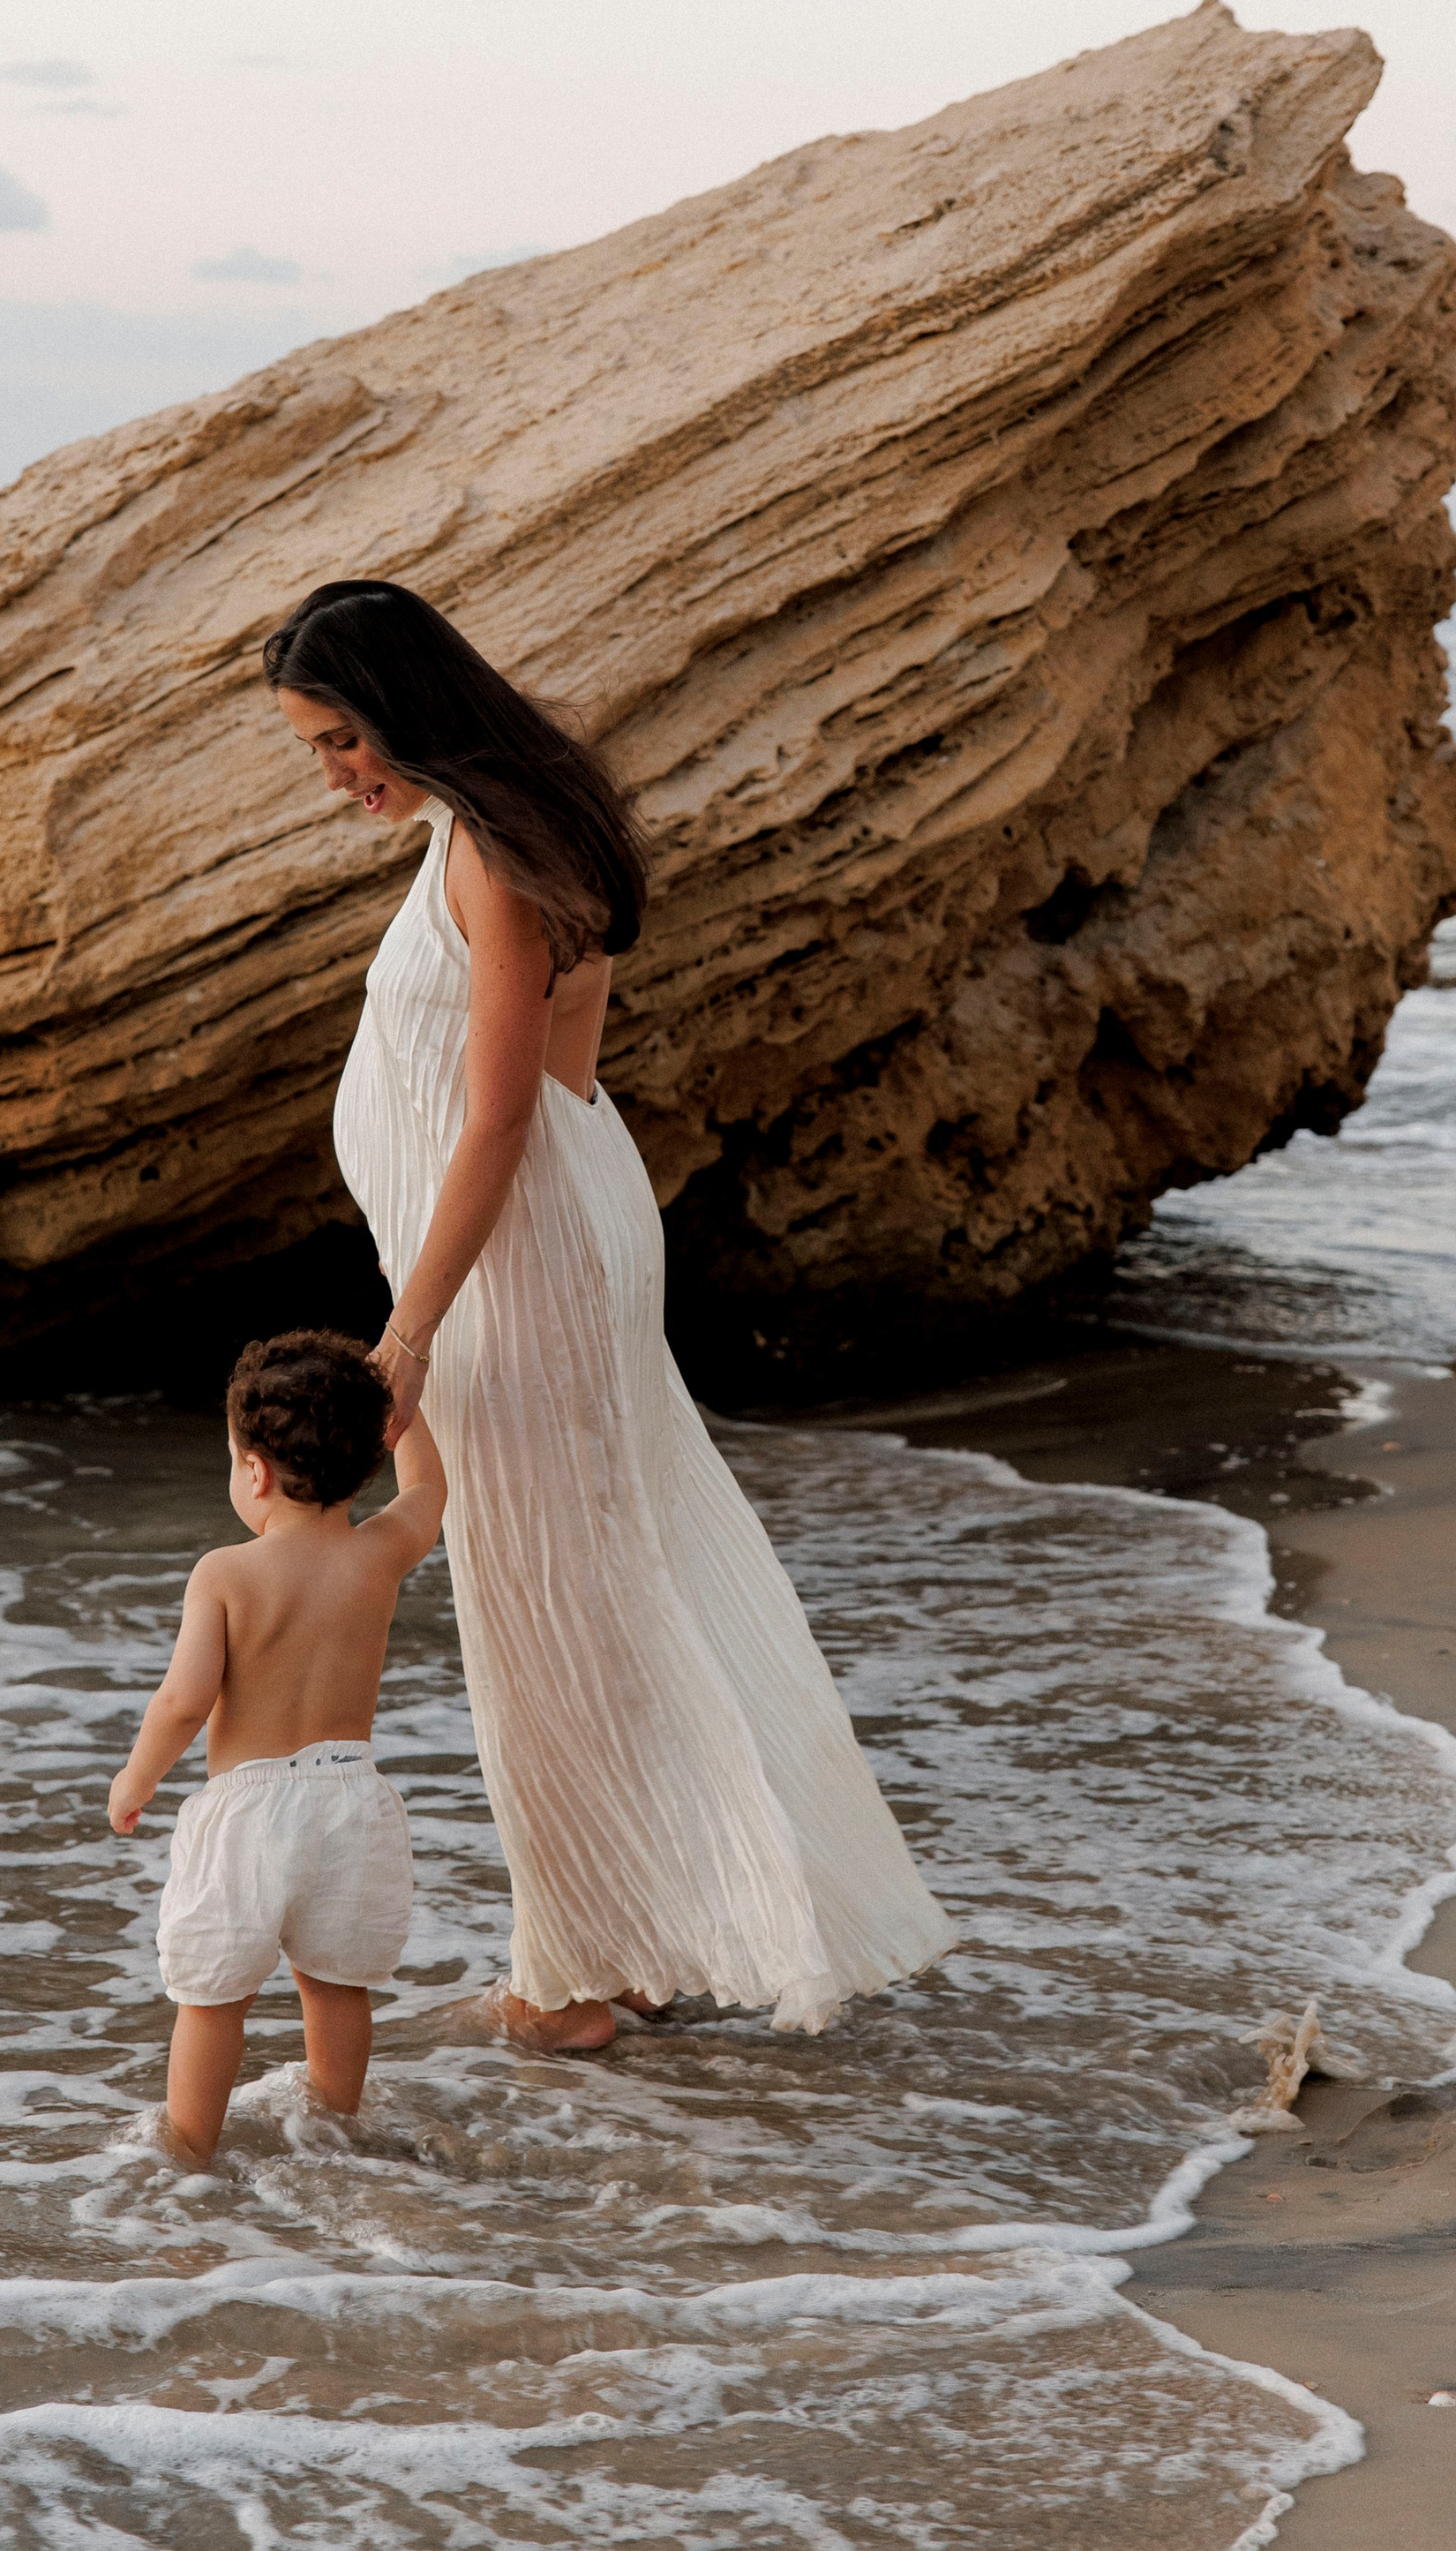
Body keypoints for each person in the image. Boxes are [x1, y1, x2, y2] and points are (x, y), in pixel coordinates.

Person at [263, 577, 957, 2051]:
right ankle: (615, 1945)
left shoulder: (498, 861)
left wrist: (409, 1334)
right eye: (313, 750)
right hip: (536, 1246)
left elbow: (501, 1120)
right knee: (588, 1594)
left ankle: (578, 1978)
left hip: (525, 1260)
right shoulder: (492, 825)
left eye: (337, 742)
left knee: (552, 1608)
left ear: (400, 709)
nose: (329, 776)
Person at [108, 1328, 444, 2166]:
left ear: (254, 1470)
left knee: (213, 1999)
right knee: (335, 1985)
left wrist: (134, 1778)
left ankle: (186, 2152)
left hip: (249, 1813)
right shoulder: (379, 1556)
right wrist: (409, 1414)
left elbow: (184, 1700)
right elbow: (432, 1490)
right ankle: (335, 2127)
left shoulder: (224, 1574)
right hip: (350, 1806)